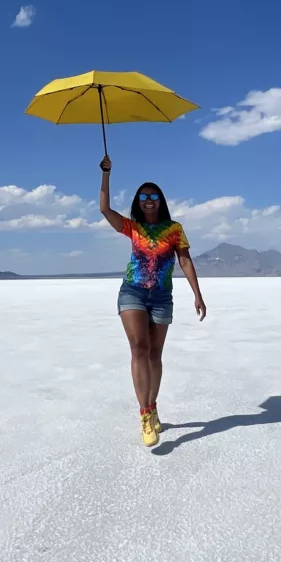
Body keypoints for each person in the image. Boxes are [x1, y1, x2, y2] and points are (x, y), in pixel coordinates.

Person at [98, 154, 206, 447]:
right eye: (144, 196)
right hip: (132, 291)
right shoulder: (132, 227)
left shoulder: (174, 229)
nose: (149, 200)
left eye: (154, 196)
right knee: (139, 348)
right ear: (138, 200)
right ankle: (145, 414)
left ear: (161, 200)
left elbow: (184, 260)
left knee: (155, 355)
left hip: (161, 296)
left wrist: (197, 293)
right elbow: (104, 208)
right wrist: (106, 173)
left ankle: (153, 404)